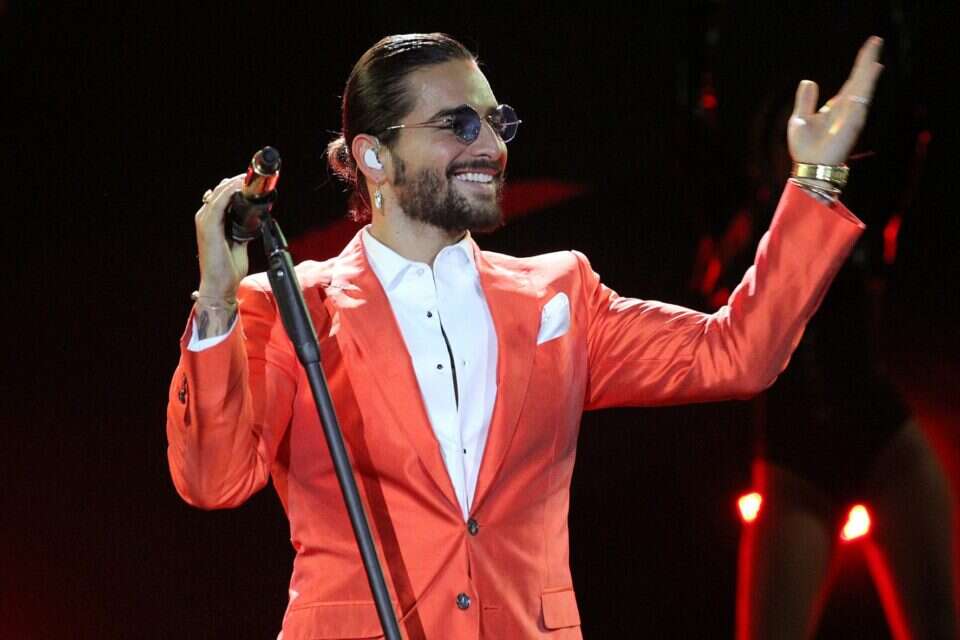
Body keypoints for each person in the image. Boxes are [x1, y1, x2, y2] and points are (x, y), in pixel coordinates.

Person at [167, 33, 883, 639]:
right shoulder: (289, 309)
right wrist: (219, 300)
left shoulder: (558, 296)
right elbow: (213, 481)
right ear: (375, 156)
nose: (489, 146)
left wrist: (815, 180)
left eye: (494, 121)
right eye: (457, 125)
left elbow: (740, 352)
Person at [688, 90, 958, 639]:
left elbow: (911, 132)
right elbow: (693, 134)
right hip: (795, 462)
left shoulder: (861, 212)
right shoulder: (738, 229)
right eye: (785, 141)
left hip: (886, 442)